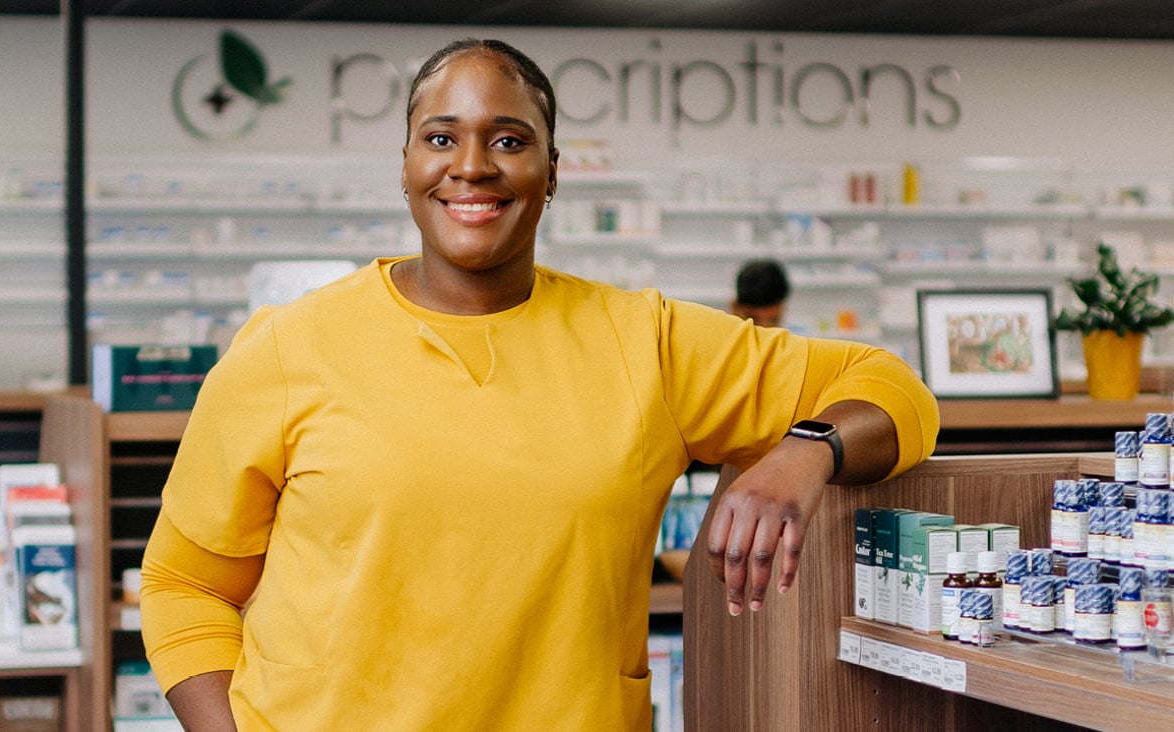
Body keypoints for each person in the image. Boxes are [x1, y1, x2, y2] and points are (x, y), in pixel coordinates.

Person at [139, 38, 940, 731]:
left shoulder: (646, 343)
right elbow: (183, 588)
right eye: (441, 136)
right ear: (409, 165)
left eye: (510, 139)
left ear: (552, 172)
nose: (472, 166)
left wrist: (805, 454)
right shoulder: (289, 346)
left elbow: (892, 388)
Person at [731, 258, 790, 327]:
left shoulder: (797, 336)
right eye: (754, 321)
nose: (764, 328)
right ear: (735, 308)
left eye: (773, 320)